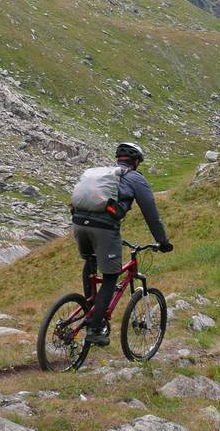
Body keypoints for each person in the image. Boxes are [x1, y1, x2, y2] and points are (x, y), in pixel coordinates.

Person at [71, 142, 173, 346]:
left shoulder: (104, 174)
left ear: (118, 159)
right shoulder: (135, 178)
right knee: (111, 276)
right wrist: (162, 241)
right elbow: (151, 214)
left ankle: (90, 306)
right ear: (136, 161)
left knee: (90, 261)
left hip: (78, 223)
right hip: (104, 227)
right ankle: (95, 328)